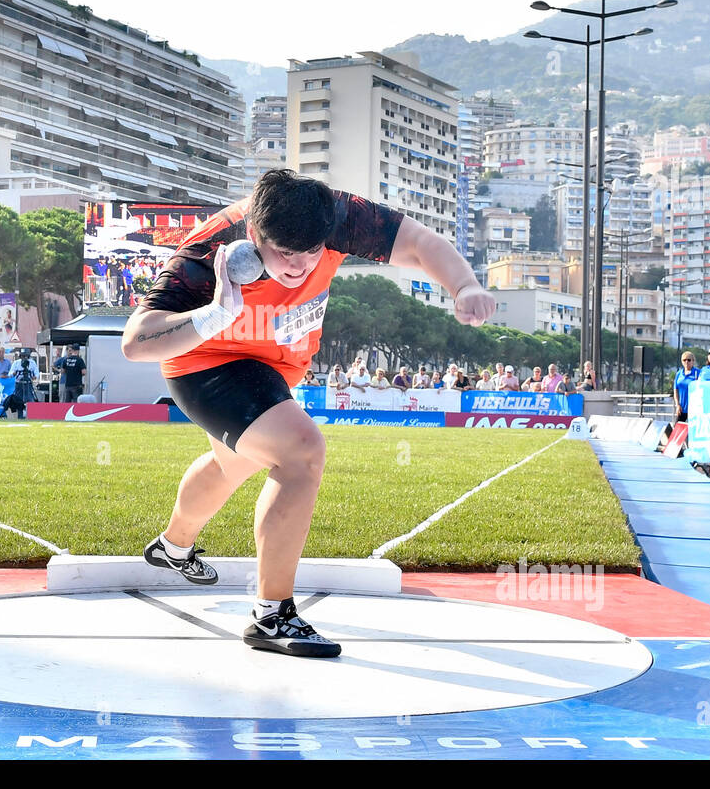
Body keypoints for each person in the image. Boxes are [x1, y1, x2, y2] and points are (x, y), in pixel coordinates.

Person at [122, 169, 496, 657]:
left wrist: (464, 285)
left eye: (311, 253)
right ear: (253, 235)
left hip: (276, 367)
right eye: (283, 254)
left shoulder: (338, 215)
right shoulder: (206, 252)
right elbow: (136, 342)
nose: (298, 267)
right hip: (205, 361)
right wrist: (213, 314)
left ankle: (172, 547)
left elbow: (422, 242)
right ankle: (271, 615)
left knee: (232, 463)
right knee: (300, 451)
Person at [672, 351, 699, 423]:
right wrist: (677, 405)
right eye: (684, 360)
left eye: (689, 360)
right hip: (682, 408)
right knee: (676, 430)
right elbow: (676, 390)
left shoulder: (698, 373)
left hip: (694, 408)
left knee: (692, 431)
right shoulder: (679, 374)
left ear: (693, 361)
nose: (686, 362)